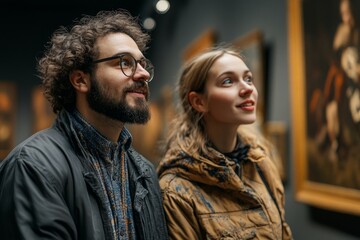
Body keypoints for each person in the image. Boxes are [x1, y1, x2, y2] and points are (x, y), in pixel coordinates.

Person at [0, 9, 168, 240]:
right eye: (125, 63)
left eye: (142, 64)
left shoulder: (144, 172)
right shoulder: (33, 165)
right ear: (81, 80)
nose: (142, 75)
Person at [157, 46, 293, 239]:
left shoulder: (261, 163)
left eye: (248, 78)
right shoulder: (176, 192)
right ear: (199, 102)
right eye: (228, 81)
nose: (247, 88)